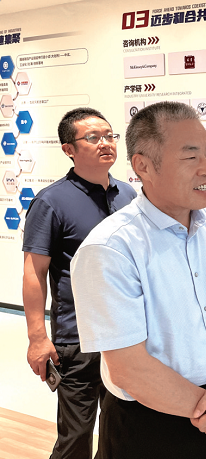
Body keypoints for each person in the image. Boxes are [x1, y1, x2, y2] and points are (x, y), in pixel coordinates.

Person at [70, 102, 206, 459]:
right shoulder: (110, 248)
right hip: (148, 423)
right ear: (143, 166)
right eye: (190, 157)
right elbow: (129, 369)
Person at [22, 108, 136, 459]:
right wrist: (37, 338)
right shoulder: (51, 201)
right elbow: (34, 272)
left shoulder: (129, 195)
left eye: (110, 135)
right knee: (77, 436)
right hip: (78, 338)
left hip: (127, 333)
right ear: (68, 149)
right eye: (93, 137)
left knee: (122, 432)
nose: (106, 143)